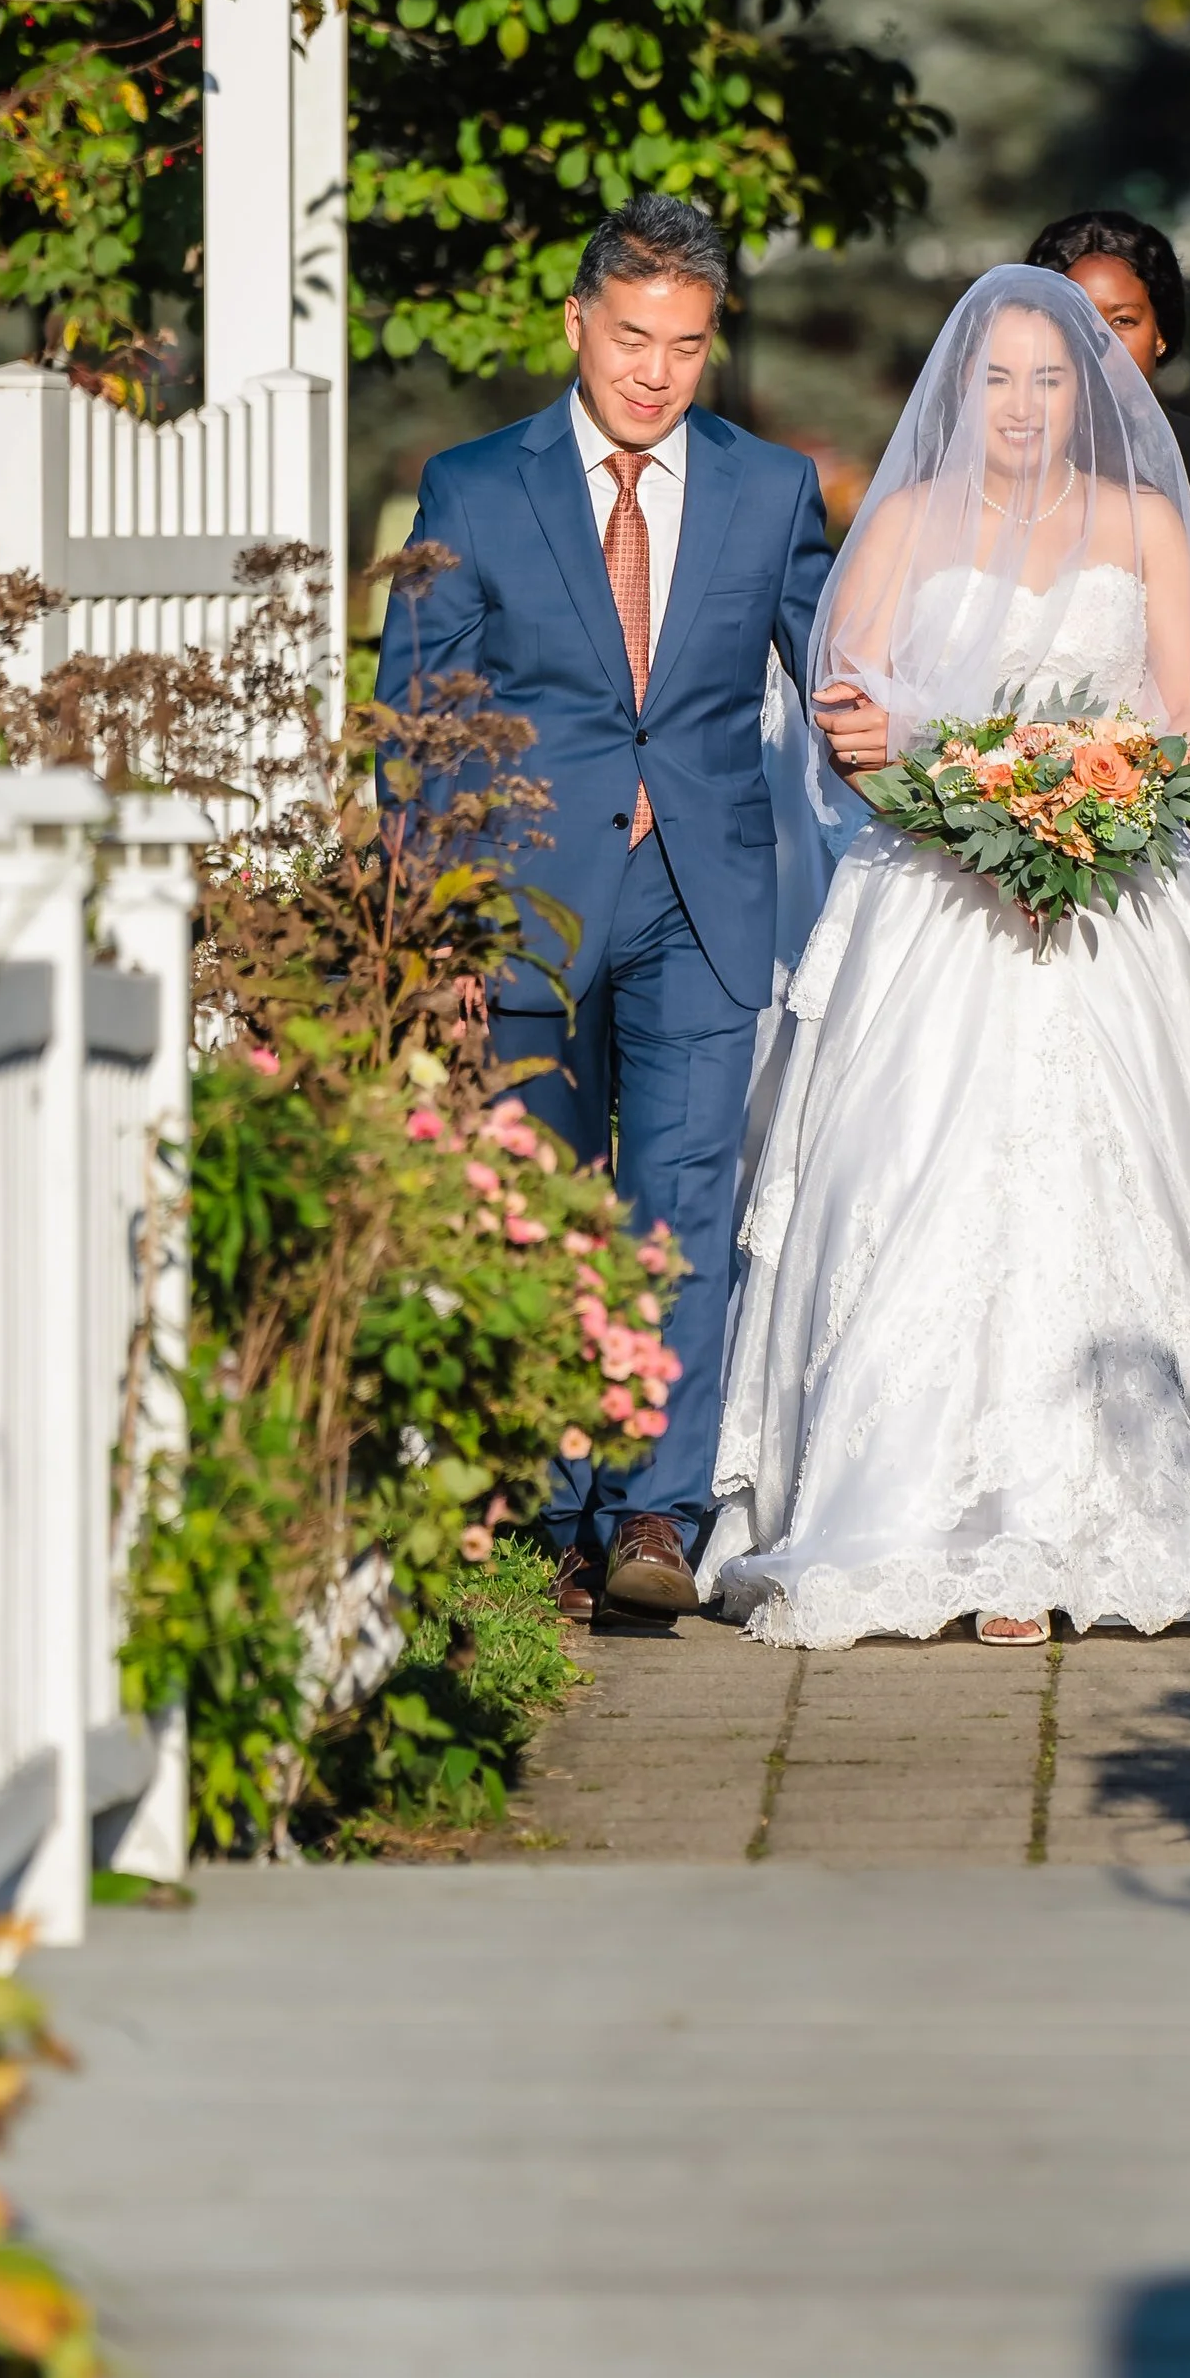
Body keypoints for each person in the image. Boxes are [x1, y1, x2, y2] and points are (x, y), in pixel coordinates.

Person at [699, 267, 1190, 1648]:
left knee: (1090, 1188)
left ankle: (1086, 1519)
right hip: (936, 901)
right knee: (921, 1185)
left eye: (1047, 379)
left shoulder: (1141, 524)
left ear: (1093, 390)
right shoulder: (902, 525)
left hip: (1108, 904)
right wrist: (968, 787)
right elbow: (849, 721)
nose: (1020, 404)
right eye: (996, 379)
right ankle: (932, 1512)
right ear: (962, 389)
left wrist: (1097, 795)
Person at [376, 192, 831, 1623]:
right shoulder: (473, 486)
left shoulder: (770, 489)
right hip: (523, 903)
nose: (653, 371)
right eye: (631, 338)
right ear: (578, 324)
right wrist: (436, 914)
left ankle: (654, 1512)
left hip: (705, 891)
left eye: (684, 346)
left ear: (711, 346)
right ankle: (547, 1510)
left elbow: (846, 668)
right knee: (541, 1202)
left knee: (684, 1201)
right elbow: (419, 718)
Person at [1025, 207, 1190, 524]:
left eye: (1123, 320)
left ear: (1160, 332)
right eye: (1076, 320)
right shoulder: (1007, 465)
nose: (1099, 341)